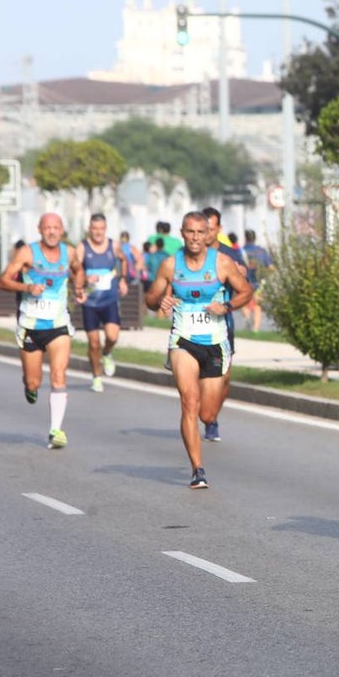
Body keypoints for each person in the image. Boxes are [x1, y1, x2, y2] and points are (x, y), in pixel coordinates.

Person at [144, 211, 252, 489]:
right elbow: (150, 299)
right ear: (182, 233)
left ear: (208, 235)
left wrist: (226, 307)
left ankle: (208, 427)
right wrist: (162, 302)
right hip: (183, 341)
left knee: (207, 414)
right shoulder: (170, 265)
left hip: (215, 343)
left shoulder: (222, 263)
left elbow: (246, 292)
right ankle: (197, 469)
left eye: (200, 232)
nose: (194, 237)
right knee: (189, 402)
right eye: (190, 232)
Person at [0, 213, 86, 449]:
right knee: (34, 382)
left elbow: (78, 269)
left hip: (58, 325)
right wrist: (26, 286)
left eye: (56, 227)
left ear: (62, 230)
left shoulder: (69, 252)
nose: (52, 231)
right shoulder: (27, 252)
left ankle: (55, 430)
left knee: (59, 375)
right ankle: (29, 387)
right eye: (47, 227)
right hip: (31, 326)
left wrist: (78, 288)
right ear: (40, 229)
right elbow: (3, 280)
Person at [200, 206, 248, 442]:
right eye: (203, 228)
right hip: (193, 326)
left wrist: (241, 272)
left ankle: (213, 417)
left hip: (222, 324)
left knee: (224, 378)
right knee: (198, 377)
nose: (206, 233)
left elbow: (245, 284)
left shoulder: (230, 255)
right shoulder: (189, 254)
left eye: (211, 228)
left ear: (218, 229)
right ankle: (201, 410)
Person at [75, 213, 128, 393]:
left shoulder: (114, 246)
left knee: (112, 337)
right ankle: (96, 377)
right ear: (90, 229)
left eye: (101, 229)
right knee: (93, 343)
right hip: (90, 301)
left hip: (109, 299)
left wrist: (122, 279)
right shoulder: (82, 247)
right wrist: (83, 280)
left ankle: (107, 354)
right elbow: (74, 269)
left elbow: (124, 260)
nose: (98, 233)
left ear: (105, 229)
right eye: (95, 229)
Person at [241, 228, 273, 332]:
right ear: (255, 238)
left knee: (244, 304)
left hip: (245, 282)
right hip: (260, 282)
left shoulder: (241, 251)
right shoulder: (261, 251)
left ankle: (247, 322)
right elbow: (271, 267)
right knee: (257, 306)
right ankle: (256, 329)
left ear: (245, 238)